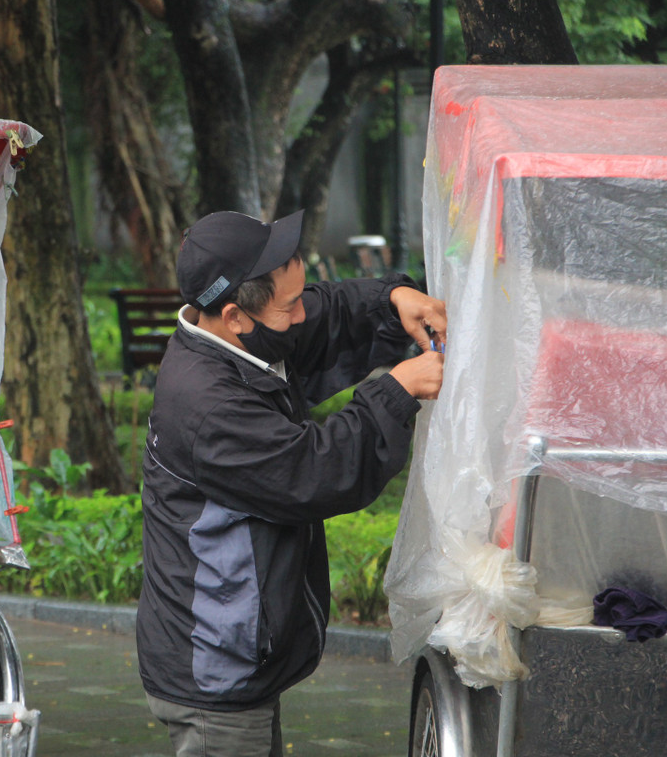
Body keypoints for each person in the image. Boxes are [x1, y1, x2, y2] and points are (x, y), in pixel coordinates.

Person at [137, 211, 446, 757]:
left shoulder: (241, 340)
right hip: (216, 670)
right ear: (235, 316)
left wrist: (393, 299)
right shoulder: (209, 405)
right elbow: (315, 472)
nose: (302, 314)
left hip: (240, 652)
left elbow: (324, 313)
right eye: (288, 306)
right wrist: (396, 392)